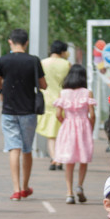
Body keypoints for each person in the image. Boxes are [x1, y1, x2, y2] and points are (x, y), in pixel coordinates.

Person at [0, 29, 46, 201]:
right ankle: (25, 187)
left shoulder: (3, 60)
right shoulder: (34, 60)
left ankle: (16, 190)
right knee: (27, 149)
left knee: (13, 148)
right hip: (28, 111)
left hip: (9, 110)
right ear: (26, 42)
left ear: (10, 41)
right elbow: (43, 85)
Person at [52, 63, 97, 204]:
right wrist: (90, 127)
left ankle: (69, 192)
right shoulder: (87, 92)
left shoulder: (63, 93)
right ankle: (80, 186)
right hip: (84, 126)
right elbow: (92, 114)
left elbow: (58, 114)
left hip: (68, 126)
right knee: (83, 158)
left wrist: (65, 122)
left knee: (69, 160)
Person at [36, 40, 71, 168]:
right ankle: (60, 159)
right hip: (64, 101)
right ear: (63, 51)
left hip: (47, 100)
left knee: (51, 134)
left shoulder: (42, 63)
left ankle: (54, 158)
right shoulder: (67, 64)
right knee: (62, 133)